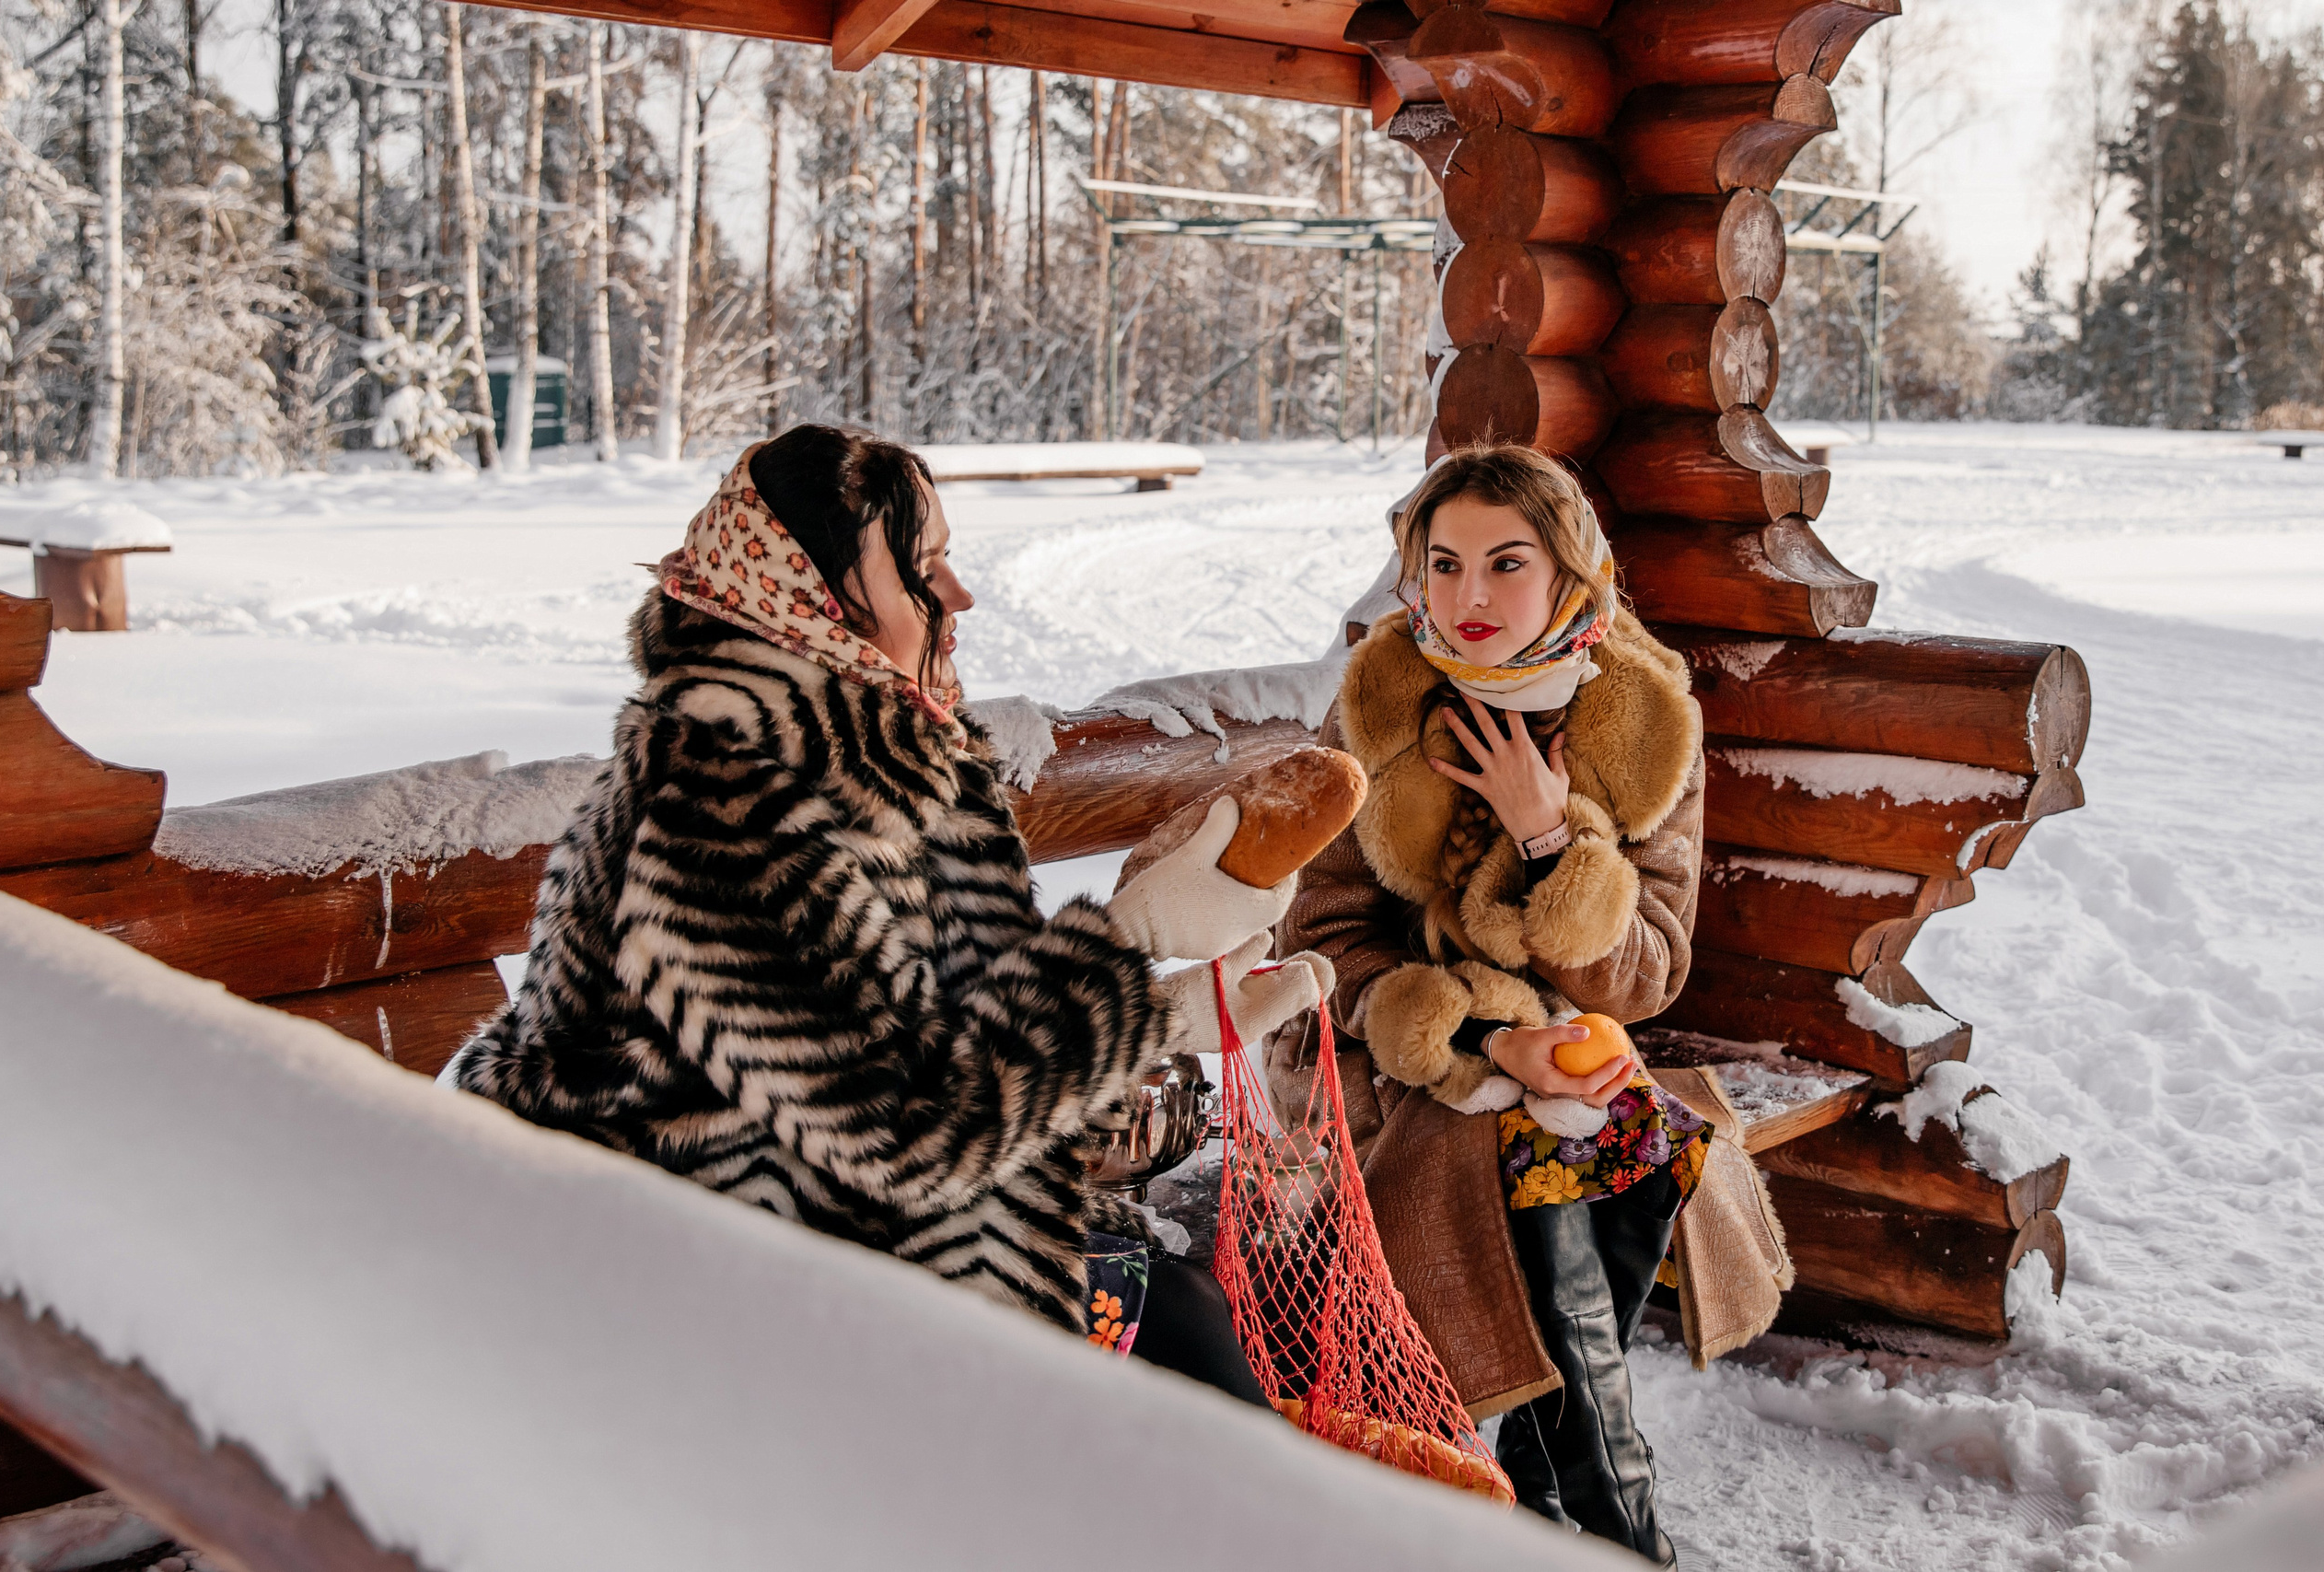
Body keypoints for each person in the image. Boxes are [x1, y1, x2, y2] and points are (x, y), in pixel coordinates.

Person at [440, 425, 1322, 1407]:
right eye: (923, 569)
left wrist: (1159, 1021)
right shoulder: (718, 807)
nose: (959, 597)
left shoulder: (901, 761)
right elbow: (905, 1130)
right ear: (809, 601)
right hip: (732, 1333)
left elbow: (944, 1051)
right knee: (1198, 1385)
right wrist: (1129, 948)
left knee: (1209, 1325)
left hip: (882, 1271)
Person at [1272, 441, 1734, 1566]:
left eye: (1505, 563)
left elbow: (1650, 972)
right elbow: (1321, 941)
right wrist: (1485, 1043)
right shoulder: (1382, 707)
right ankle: (1616, 1531)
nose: (1467, 599)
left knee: (1628, 1139)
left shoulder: (1642, 722)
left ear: (1571, 573)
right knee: (1528, 1154)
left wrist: (1544, 833)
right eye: (1442, 565)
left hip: (1574, 1048)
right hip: (1382, 1053)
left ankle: (1550, 1497)